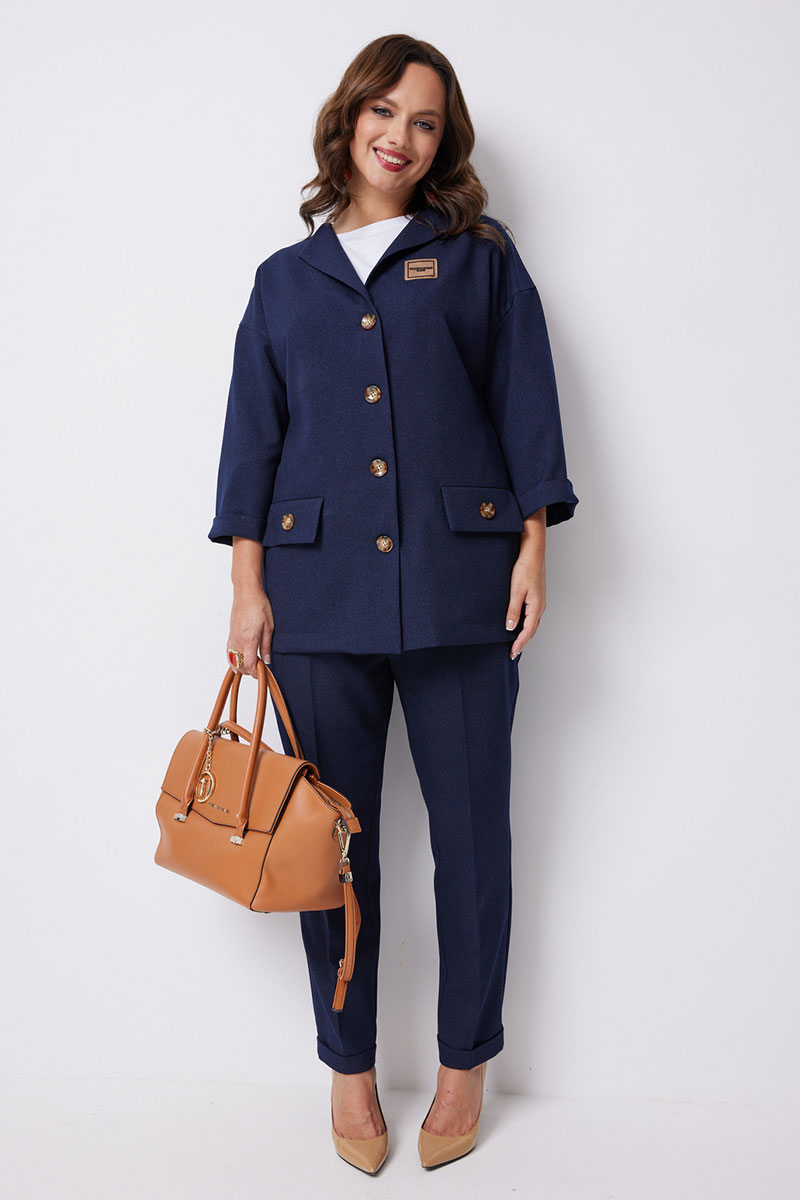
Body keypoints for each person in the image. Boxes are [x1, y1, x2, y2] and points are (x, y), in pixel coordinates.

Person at [208, 33, 579, 1174]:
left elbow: (524, 401)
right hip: (316, 600)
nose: (400, 137)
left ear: (442, 140)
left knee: (472, 843)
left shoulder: (479, 259)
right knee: (330, 852)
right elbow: (252, 444)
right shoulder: (283, 281)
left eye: (424, 122)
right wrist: (247, 587)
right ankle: (349, 1070)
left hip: (465, 590)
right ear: (349, 118)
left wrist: (533, 547)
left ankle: (465, 1065)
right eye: (384, 111)